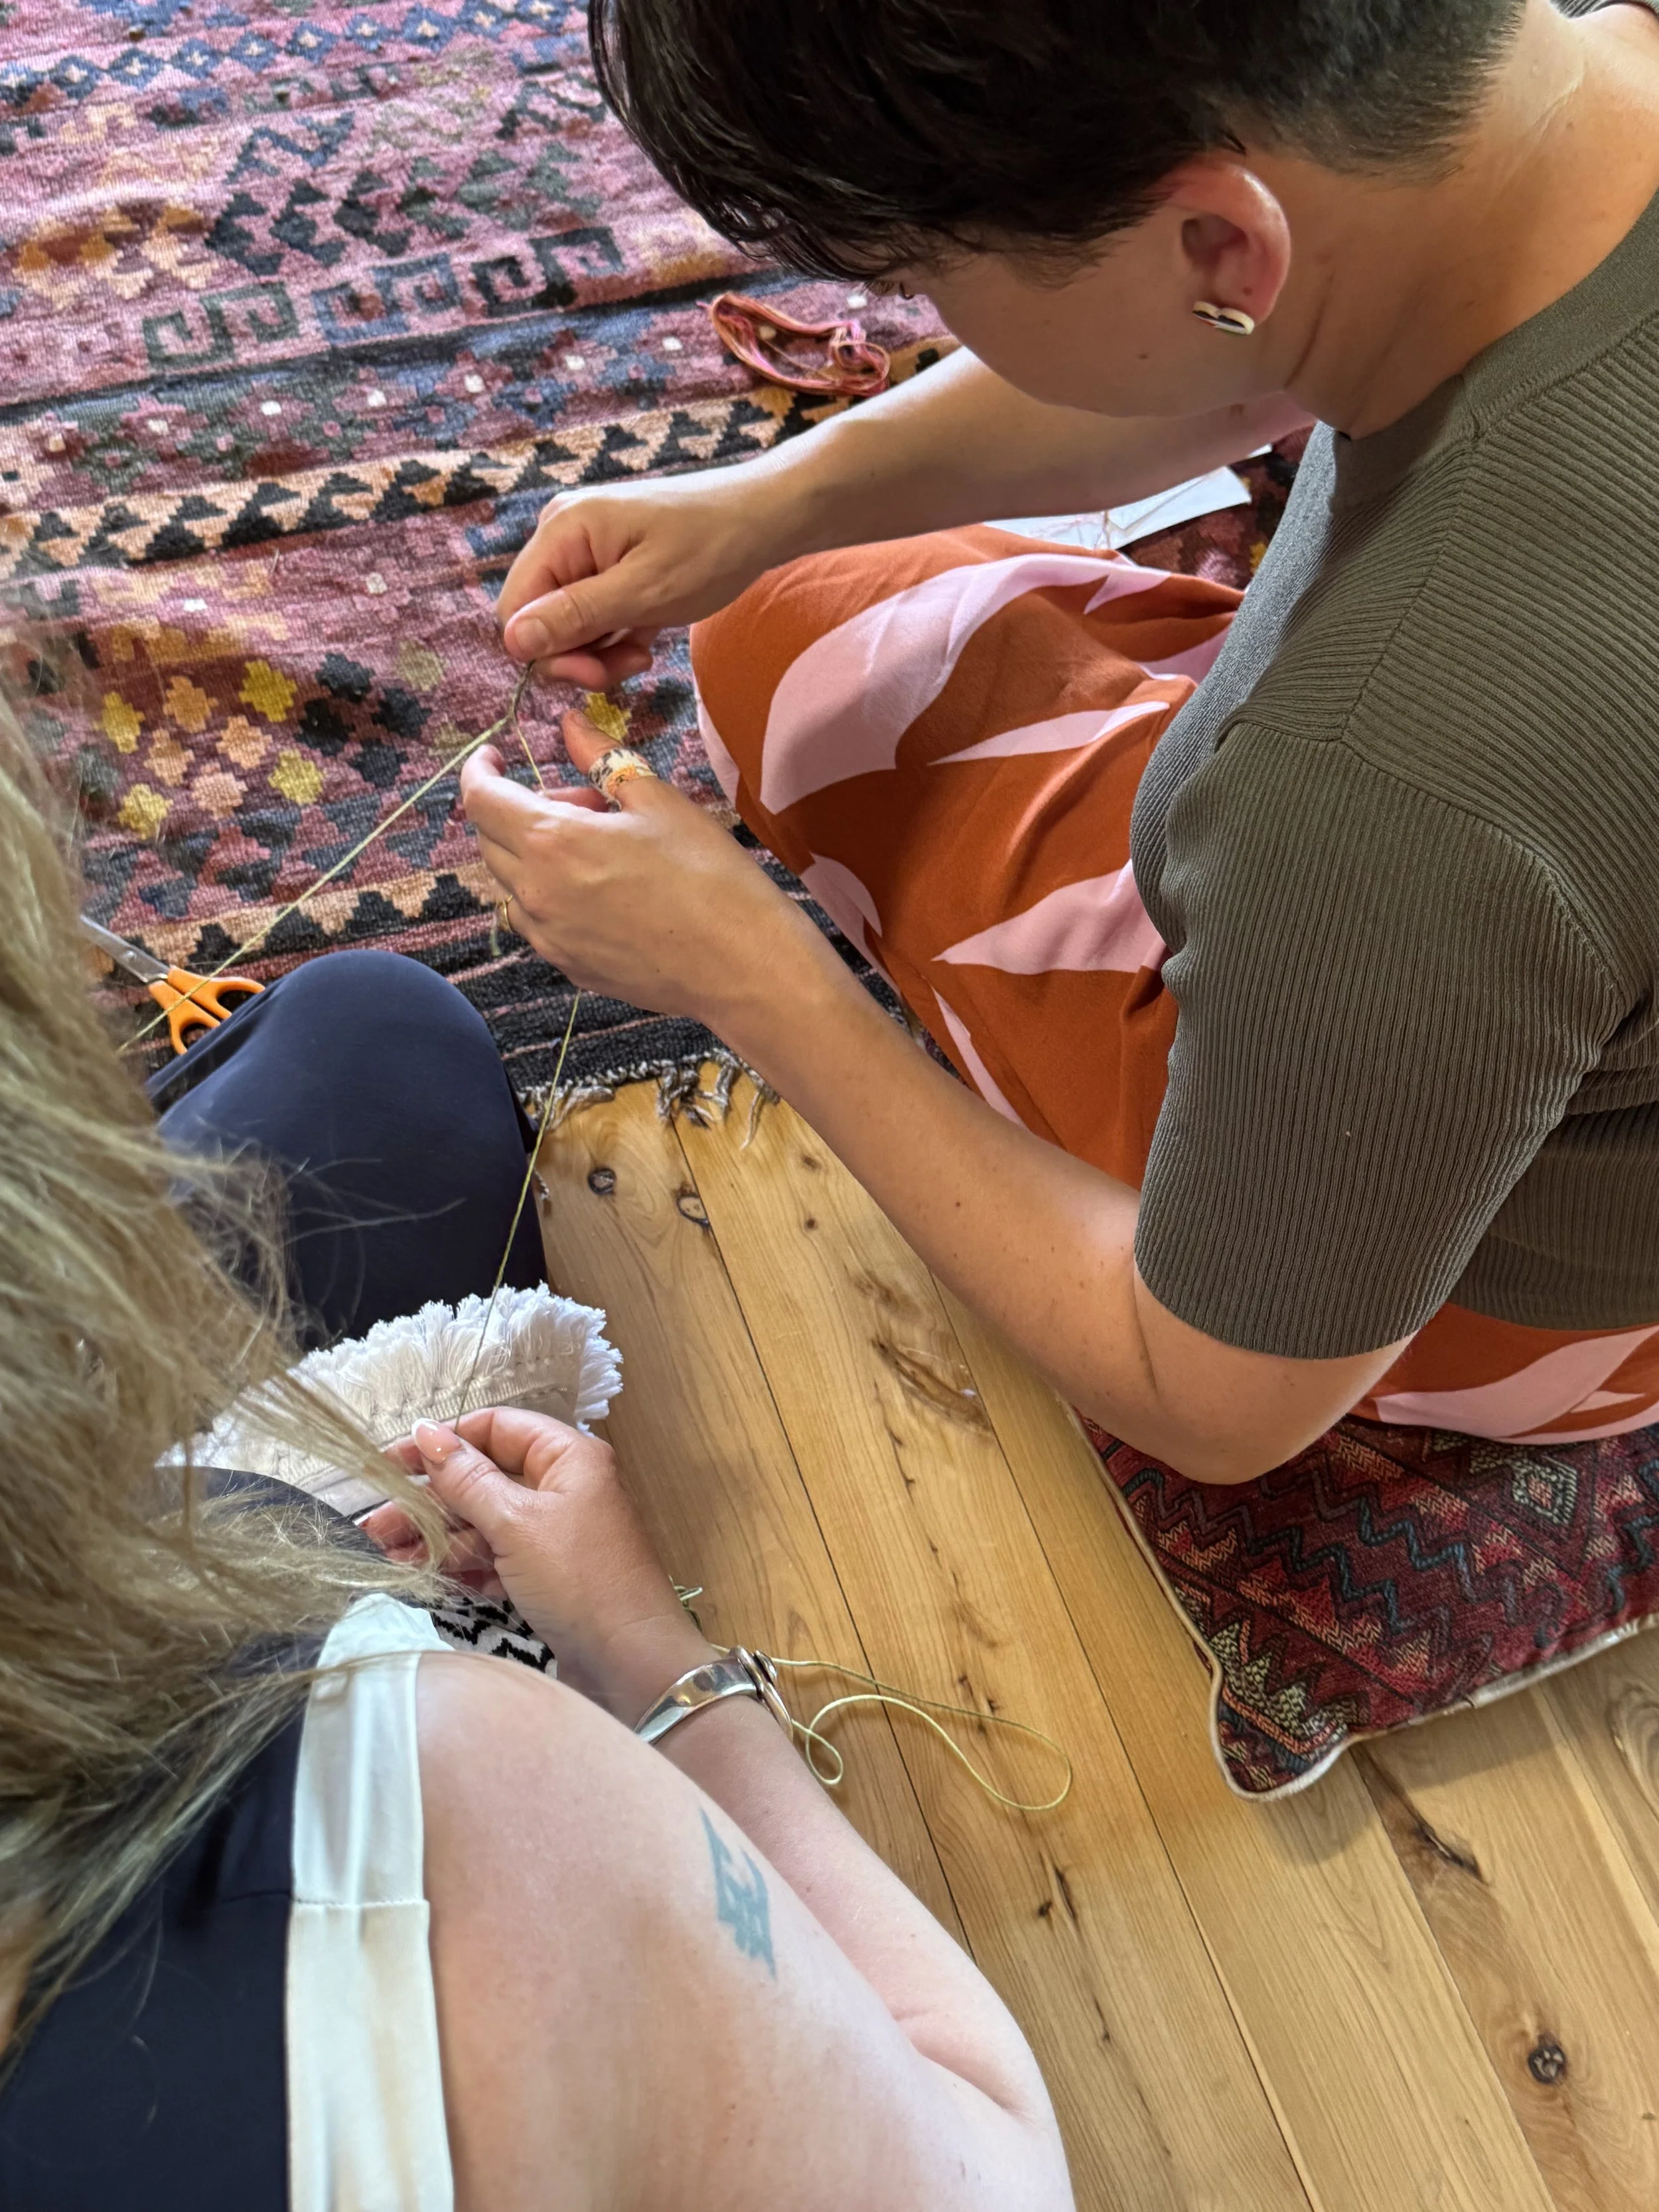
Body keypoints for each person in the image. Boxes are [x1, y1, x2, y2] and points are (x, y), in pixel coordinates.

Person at [472, 0, 1659, 1485]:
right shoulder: (1561, 93)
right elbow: (1258, 353)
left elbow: (1213, 1401)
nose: (919, 313)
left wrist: (750, 978)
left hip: (1516, 1291)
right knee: (792, 591)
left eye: (923, 278)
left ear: (1223, 249)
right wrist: (785, 496)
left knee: (793, 668)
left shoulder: (1381, 786)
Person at [0, 713, 1072, 2209]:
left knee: (372, 1053)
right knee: (381, 1048)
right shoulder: (461, 1824)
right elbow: (997, 2175)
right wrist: (652, 1661)